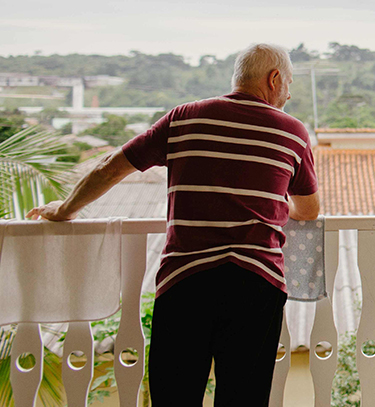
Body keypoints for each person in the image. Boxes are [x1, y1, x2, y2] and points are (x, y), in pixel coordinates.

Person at [27, 43, 321, 406]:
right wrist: (271, 198)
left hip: (186, 280)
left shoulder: (183, 117)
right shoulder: (292, 132)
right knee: (243, 398)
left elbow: (110, 167)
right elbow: (308, 211)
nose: (288, 94)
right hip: (255, 283)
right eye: (288, 84)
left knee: (175, 396)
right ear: (274, 79)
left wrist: (65, 209)